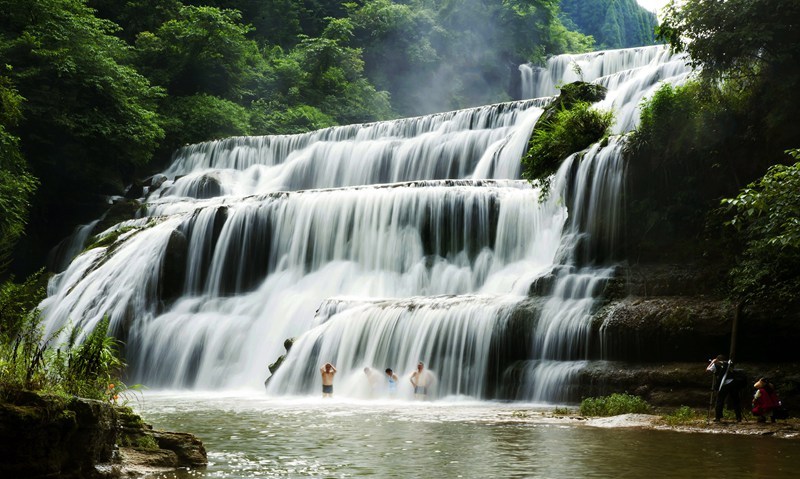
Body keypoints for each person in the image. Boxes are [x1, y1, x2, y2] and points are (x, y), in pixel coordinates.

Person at [706, 354, 743, 422]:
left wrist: (712, 362)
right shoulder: (729, 363)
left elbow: (707, 370)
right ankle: (739, 417)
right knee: (736, 400)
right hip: (733, 383)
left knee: (720, 401)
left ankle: (718, 417)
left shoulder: (715, 365)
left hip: (723, 385)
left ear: (717, 359)